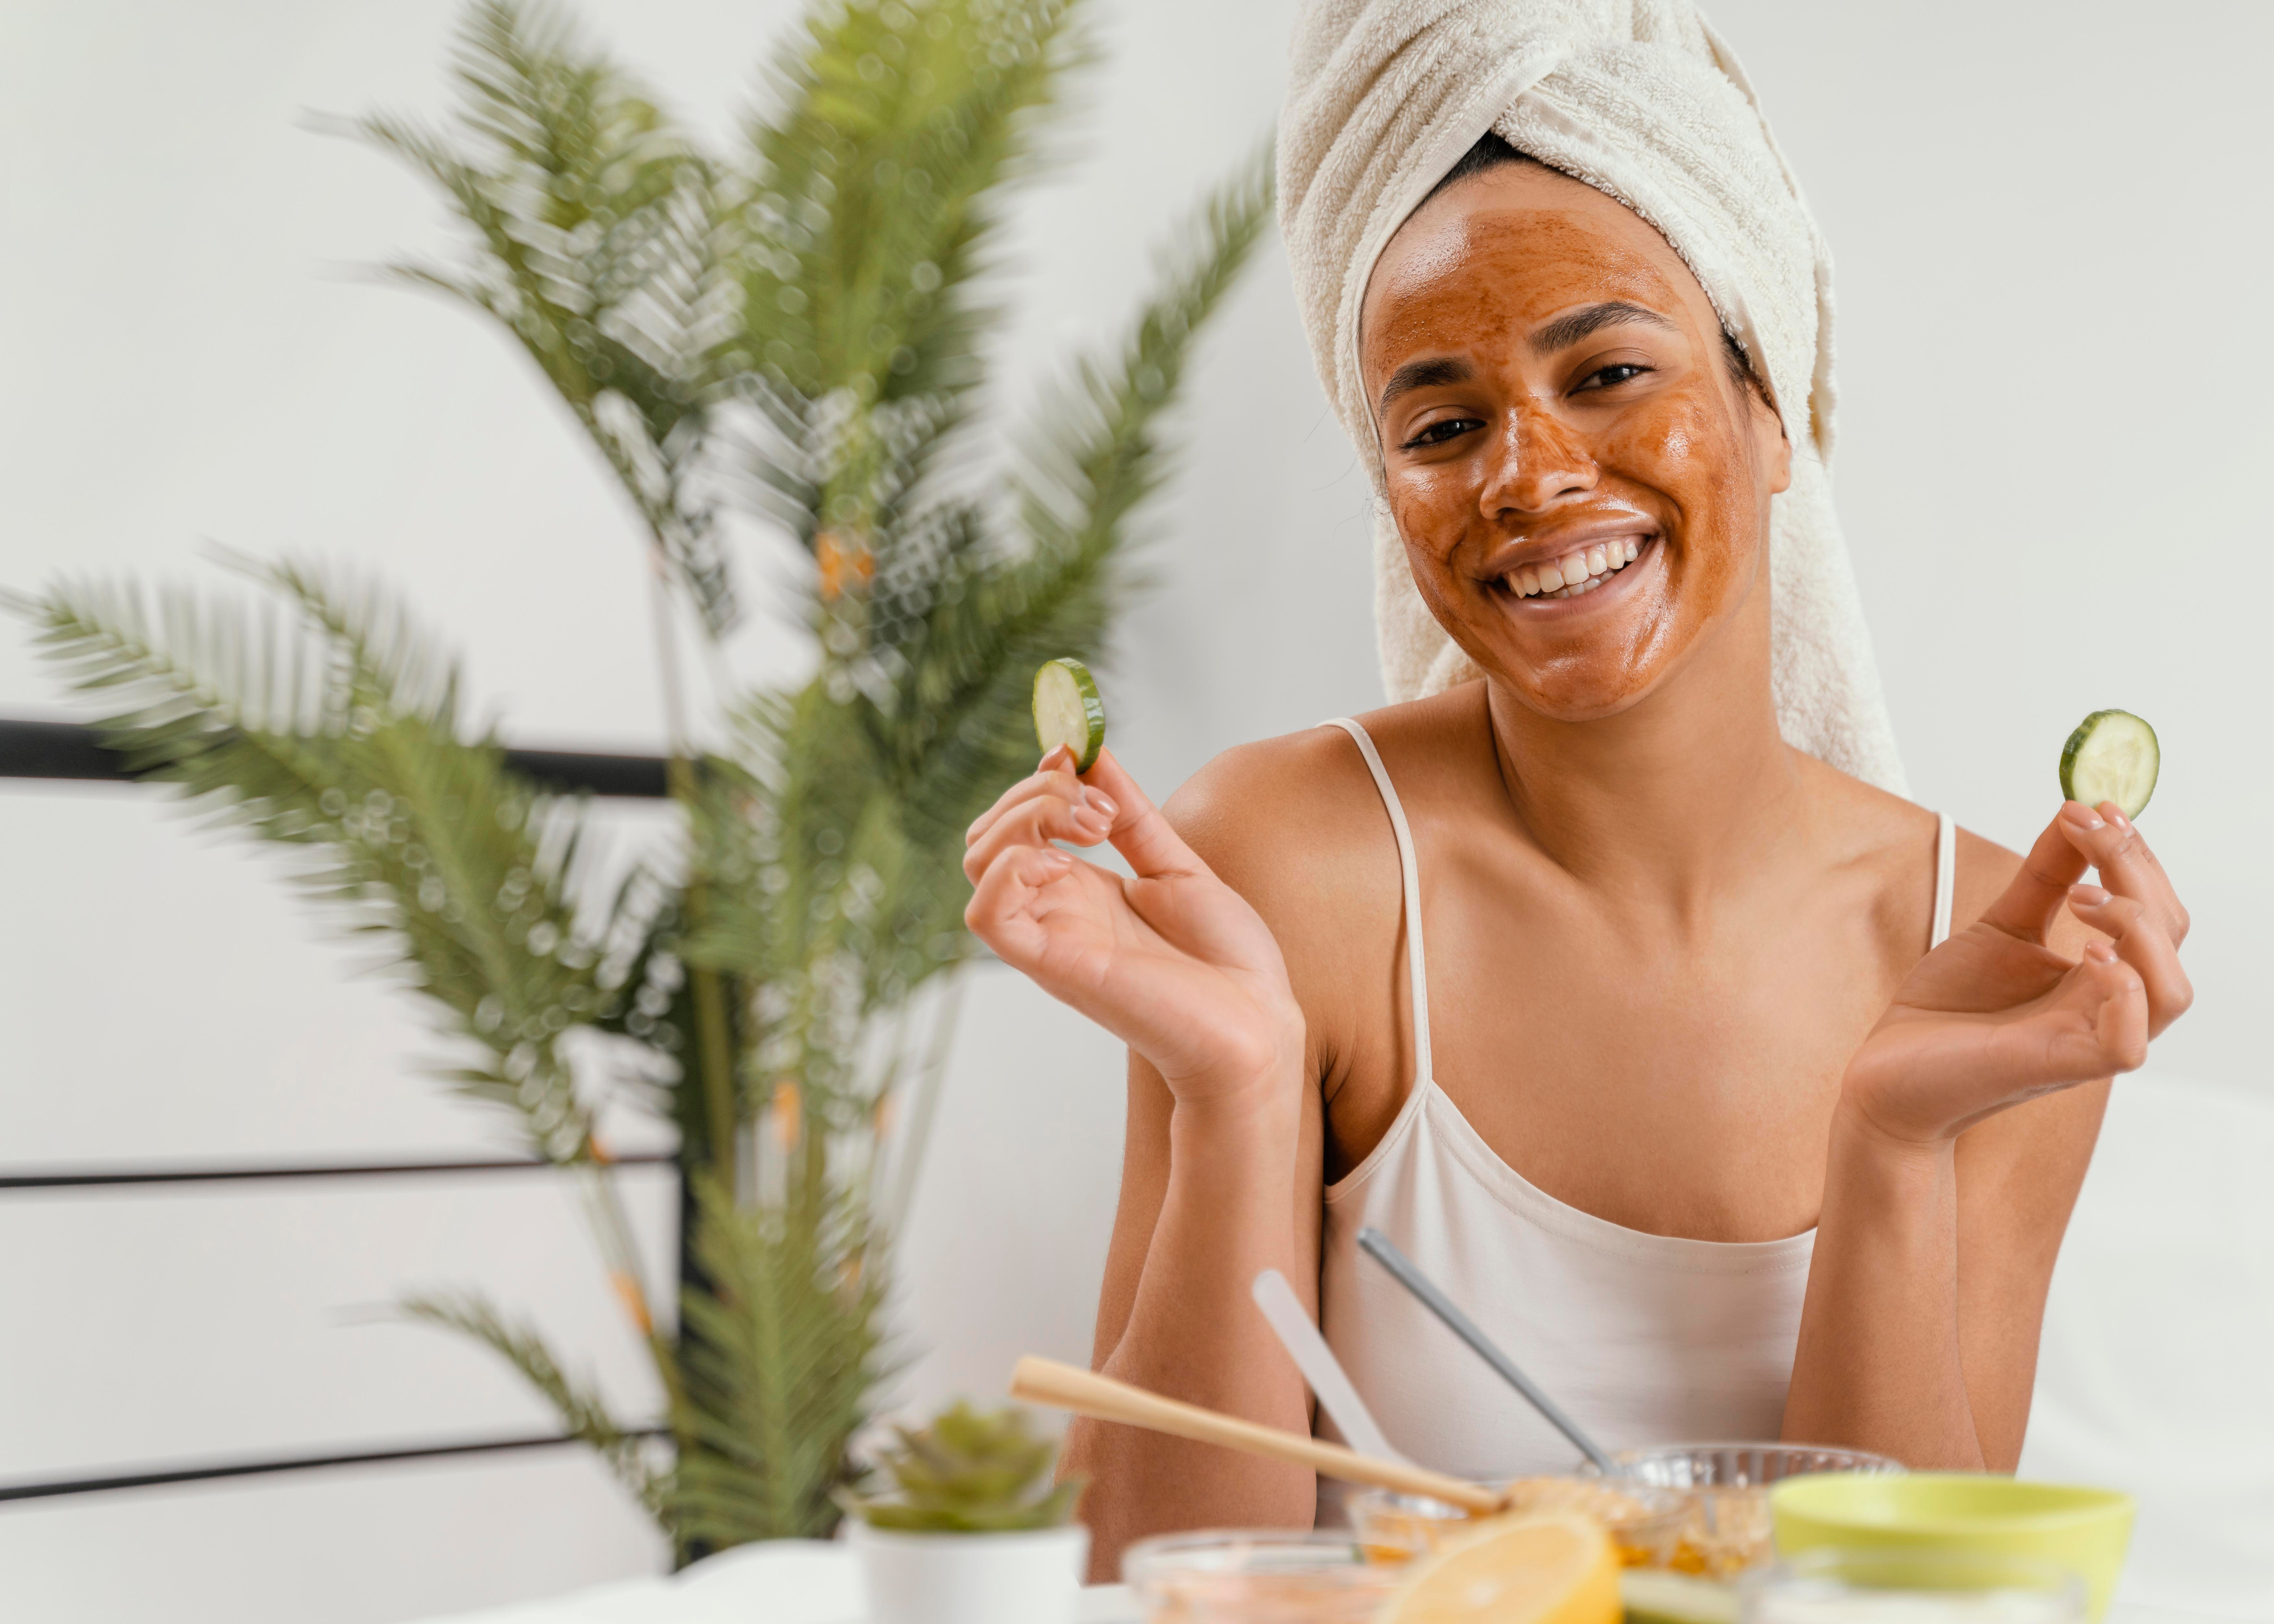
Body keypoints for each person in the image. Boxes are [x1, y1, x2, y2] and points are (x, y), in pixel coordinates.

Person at [963, 4, 2193, 1580]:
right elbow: (1152, 1583)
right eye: (1441, 425)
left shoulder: (1998, 952)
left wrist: (1890, 1138)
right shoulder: (1286, 865)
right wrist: (1242, 1084)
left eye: (1607, 372)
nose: (1527, 476)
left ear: (1773, 404)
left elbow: (1905, 1607)